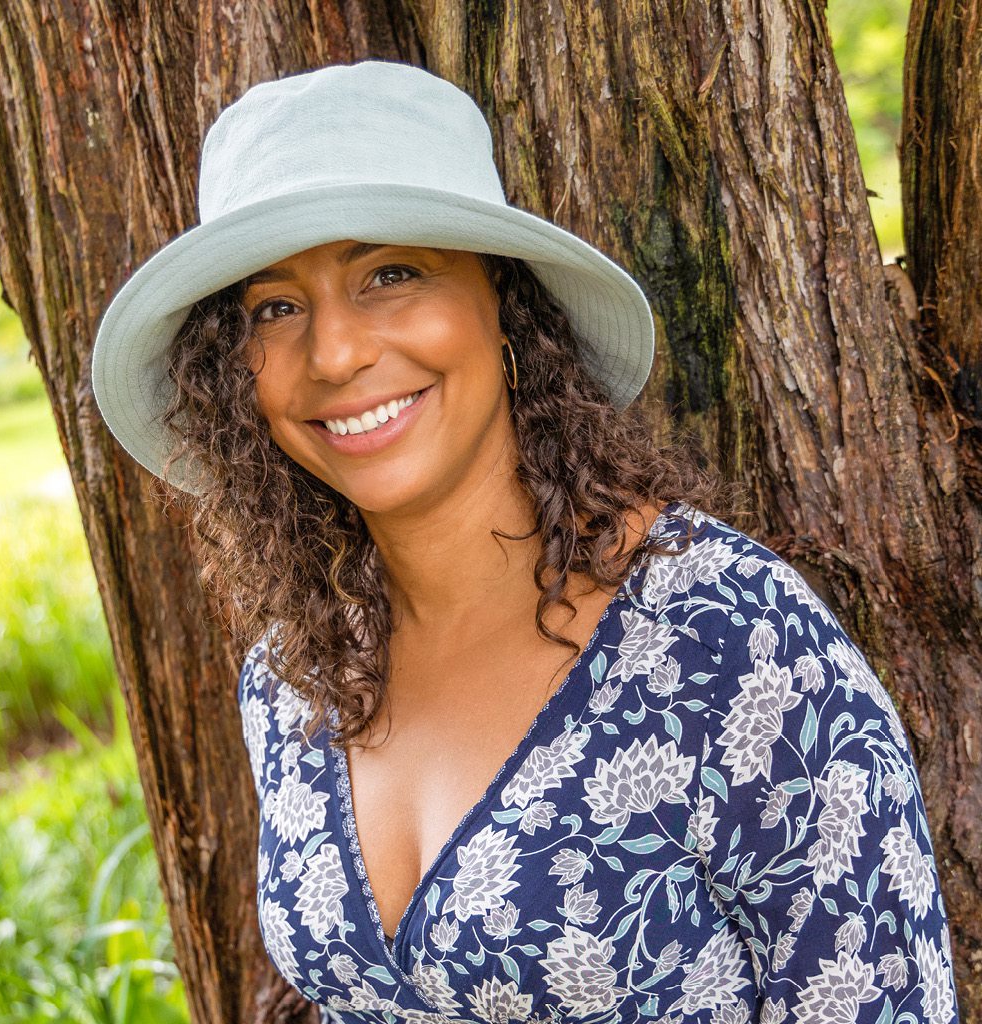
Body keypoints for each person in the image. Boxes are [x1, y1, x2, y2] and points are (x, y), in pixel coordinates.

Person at [92, 61, 959, 1024]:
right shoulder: (293, 678)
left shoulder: (729, 645)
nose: (334, 353)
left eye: (390, 274)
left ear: (502, 300)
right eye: (276, 308)